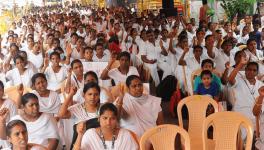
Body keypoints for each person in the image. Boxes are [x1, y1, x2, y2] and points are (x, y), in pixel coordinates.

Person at [73, 103, 139, 150]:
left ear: (116, 120)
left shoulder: (125, 135)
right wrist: (80, 135)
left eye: (112, 118)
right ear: (99, 118)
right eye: (105, 118)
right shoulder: (90, 134)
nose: (108, 122)